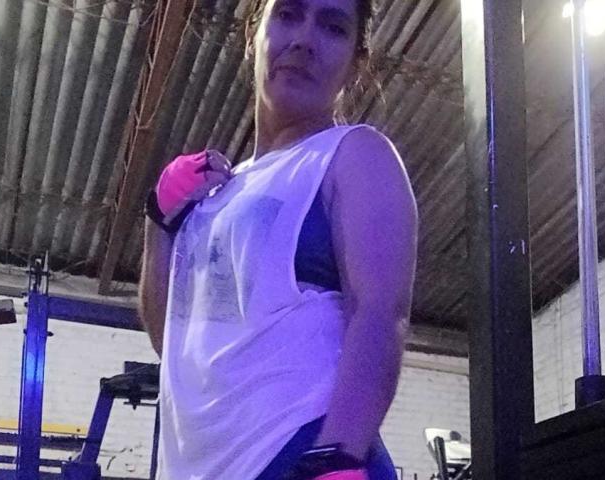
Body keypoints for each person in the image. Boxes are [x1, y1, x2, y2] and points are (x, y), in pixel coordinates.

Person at [139, 0, 418, 478]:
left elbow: (380, 313)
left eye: (333, 27)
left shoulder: (353, 155)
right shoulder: (215, 193)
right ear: (254, 35)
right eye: (288, 15)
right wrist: (158, 222)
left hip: (301, 457)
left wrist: (339, 458)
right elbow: (176, 344)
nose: (305, 40)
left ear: (355, 64)